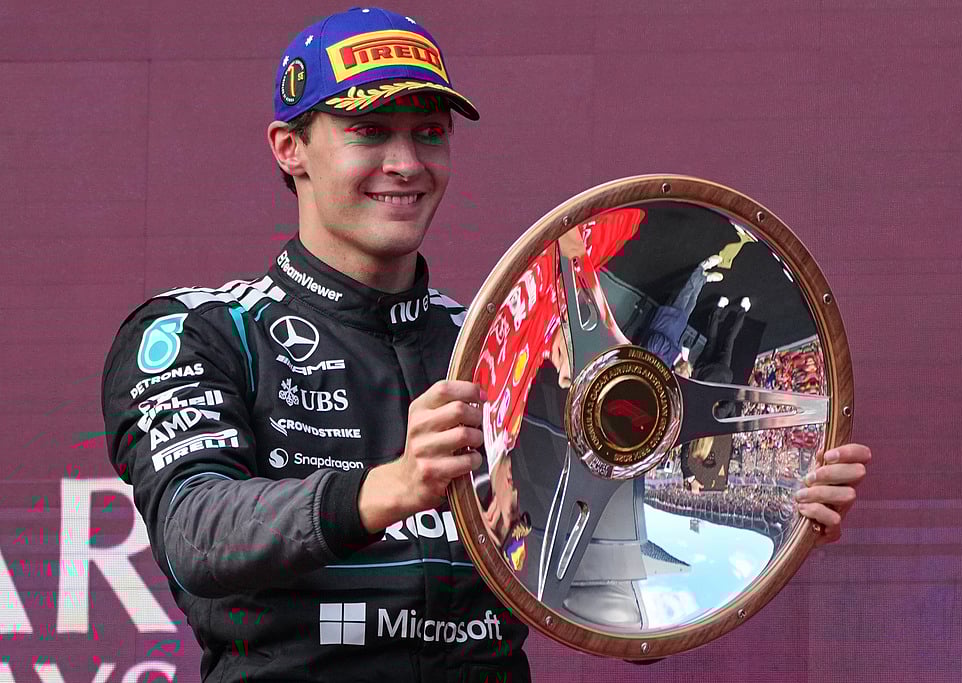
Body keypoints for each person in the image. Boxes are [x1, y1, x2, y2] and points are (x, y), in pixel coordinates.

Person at [101, 7, 871, 682]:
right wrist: (389, 488)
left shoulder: (501, 341)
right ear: (288, 147)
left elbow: (609, 607)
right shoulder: (206, 330)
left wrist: (774, 521)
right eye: (369, 131)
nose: (406, 164)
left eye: (428, 134)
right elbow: (195, 531)